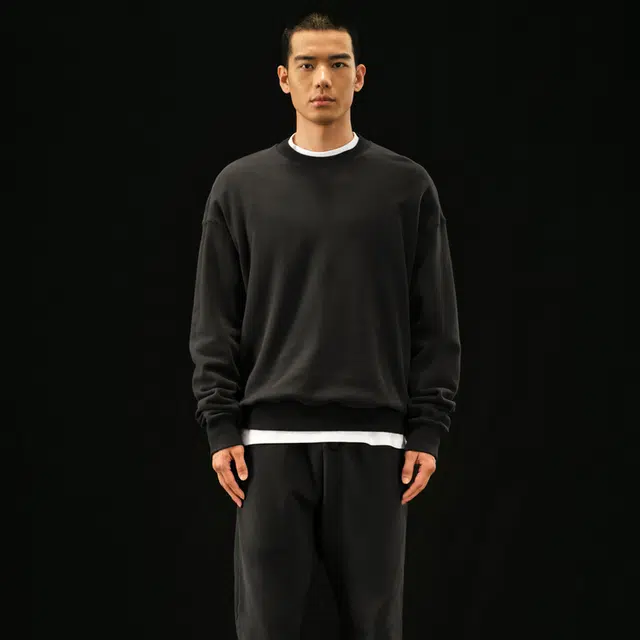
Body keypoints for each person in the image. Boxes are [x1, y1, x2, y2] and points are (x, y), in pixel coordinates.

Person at [188, 11, 461, 640]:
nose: (322, 79)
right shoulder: (239, 187)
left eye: (337, 64)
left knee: (375, 629)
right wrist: (220, 424)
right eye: (307, 64)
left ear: (359, 76)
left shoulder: (405, 186)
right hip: (266, 449)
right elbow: (214, 319)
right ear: (284, 78)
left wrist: (427, 428)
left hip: (376, 448)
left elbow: (437, 319)